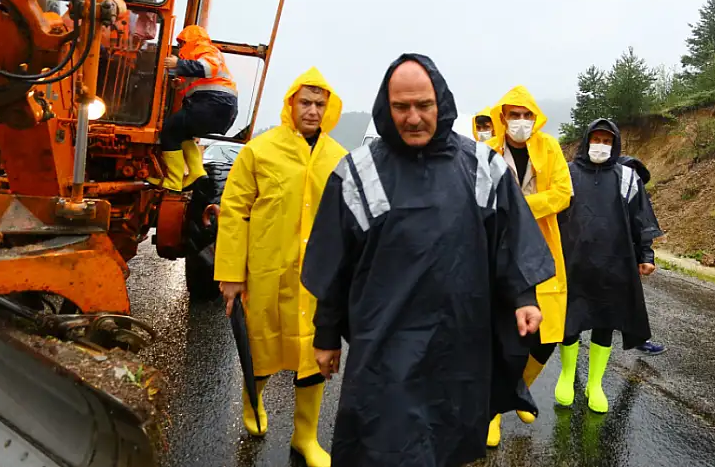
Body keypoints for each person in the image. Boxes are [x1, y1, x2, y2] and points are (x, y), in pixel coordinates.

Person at [300, 54, 554, 467]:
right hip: (384, 349)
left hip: (457, 345)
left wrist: (524, 296)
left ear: (442, 104)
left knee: (448, 442)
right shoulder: (357, 174)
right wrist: (326, 334)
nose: (413, 117)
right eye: (402, 107)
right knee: (382, 446)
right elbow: (335, 264)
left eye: (423, 105)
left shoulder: (483, 168)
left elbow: (509, 239)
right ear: (387, 106)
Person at [213, 68, 345, 465]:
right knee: (262, 344)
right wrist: (232, 275)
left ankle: (306, 437)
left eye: (320, 104)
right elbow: (234, 212)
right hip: (266, 270)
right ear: (290, 103)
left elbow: (352, 218)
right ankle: (253, 403)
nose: (312, 110)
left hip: (316, 278)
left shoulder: (338, 157)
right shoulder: (260, 150)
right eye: (305, 102)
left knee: (314, 353)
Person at [484, 85, 571, 444]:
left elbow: (563, 193)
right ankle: (491, 410)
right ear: (502, 117)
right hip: (497, 250)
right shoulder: (486, 152)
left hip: (542, 249)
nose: (521, 122)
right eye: (514, 115)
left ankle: (518, 388)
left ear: (536, 118)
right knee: (498, 331)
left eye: (527, 115)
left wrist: (521, 205)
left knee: (546, 336)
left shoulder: (548, 148)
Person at [554, 119, 657, 413]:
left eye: (607, 140)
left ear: (615, 144)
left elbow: (641, 220)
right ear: (586, 141)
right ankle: (566, 374)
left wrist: (646, 255)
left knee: (605, 321)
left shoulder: (627, 177)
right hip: (572, 261)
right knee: (570, 320)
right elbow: (551, 215)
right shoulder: (568, 173)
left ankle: (595, 383)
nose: (601, 145)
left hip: (614, 263)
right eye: (596, 138)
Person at [147, 25, 237, 191]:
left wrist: (179, 64)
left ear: (190, 40)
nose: (180, 47)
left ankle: (174, 181)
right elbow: (197, 85)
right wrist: (180, 84)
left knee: (170, 130)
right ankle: (196, 172)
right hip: (218, 107)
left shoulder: (205, 49)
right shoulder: (199, 55)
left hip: (215, 104)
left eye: (182, 43)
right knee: (183, 133)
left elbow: (208, 68)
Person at [617, 154, 668, 357]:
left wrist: (646, 257)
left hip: (627, 256)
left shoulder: (638, 195)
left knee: (631, 301)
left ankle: (639, 339)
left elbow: (644, 229)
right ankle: (570, 341)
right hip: (593, 256)